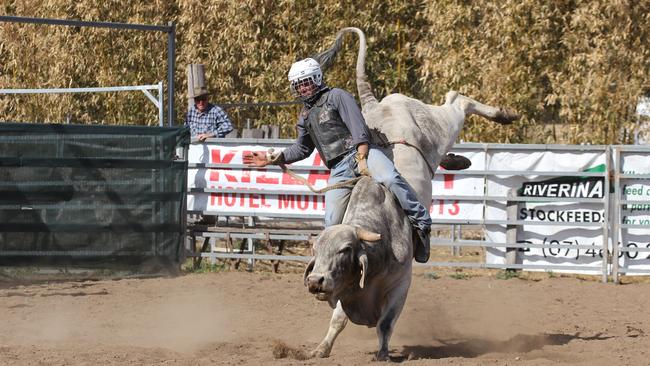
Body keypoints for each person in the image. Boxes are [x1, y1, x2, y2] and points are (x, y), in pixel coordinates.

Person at [243, 58, 432, 263]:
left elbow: (358, 127)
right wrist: (274, 158)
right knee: (331, 220)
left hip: (363, 153)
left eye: (306, 82)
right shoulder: (305, 116)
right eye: (299, 84)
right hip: (339, 168)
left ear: (317, 78)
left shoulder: (337, 96)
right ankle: (334, 264)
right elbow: (302, 148)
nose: (303, 88)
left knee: (391, 178)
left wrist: (362, 156)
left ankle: (422, 222)